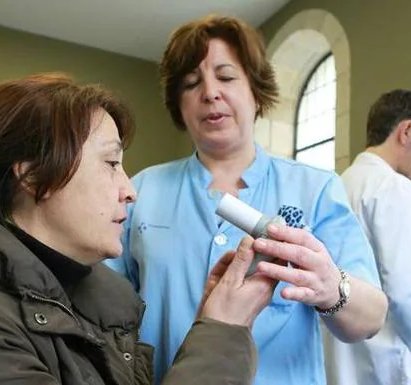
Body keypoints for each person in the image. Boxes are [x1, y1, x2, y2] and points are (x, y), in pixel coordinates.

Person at [0, 73, 281, 385]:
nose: (130, 191)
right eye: (111, 162)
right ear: (34, 176)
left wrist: (211, 323)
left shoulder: (102, 314)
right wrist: (222, 330)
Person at [106, 15, 388, 385]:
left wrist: (330, 286)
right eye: (192, 83)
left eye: (225, 77)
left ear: (256, 91)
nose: (209, 93)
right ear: (178, 104)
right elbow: (103, 308)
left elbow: (370, 319)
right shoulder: (141, 190)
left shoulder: (315, 188)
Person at [324, 89, 411, 385]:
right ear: (406, 131)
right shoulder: (396, 188)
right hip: (394, 367)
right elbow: (409, 293)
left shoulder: (336, 186)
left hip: (340, 364)